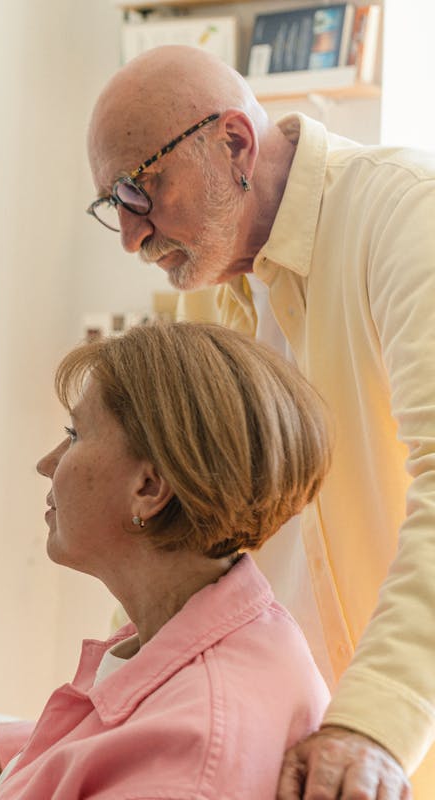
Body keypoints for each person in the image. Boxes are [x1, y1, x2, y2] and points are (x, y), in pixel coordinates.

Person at [85, 45, 435, 799]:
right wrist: (56, 739)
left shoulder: (410, 213)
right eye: (112, 205)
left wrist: (373, 722)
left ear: (235, 145)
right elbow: (186, 553)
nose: (130, 237)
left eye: (139, 192)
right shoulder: (216, 288)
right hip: (279, 758)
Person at [0, 322, 332, 797]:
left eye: (74, 435)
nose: (47, 464)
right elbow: (116, 738)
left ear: (150, 487)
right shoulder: (219, 630)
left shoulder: (188, 756)